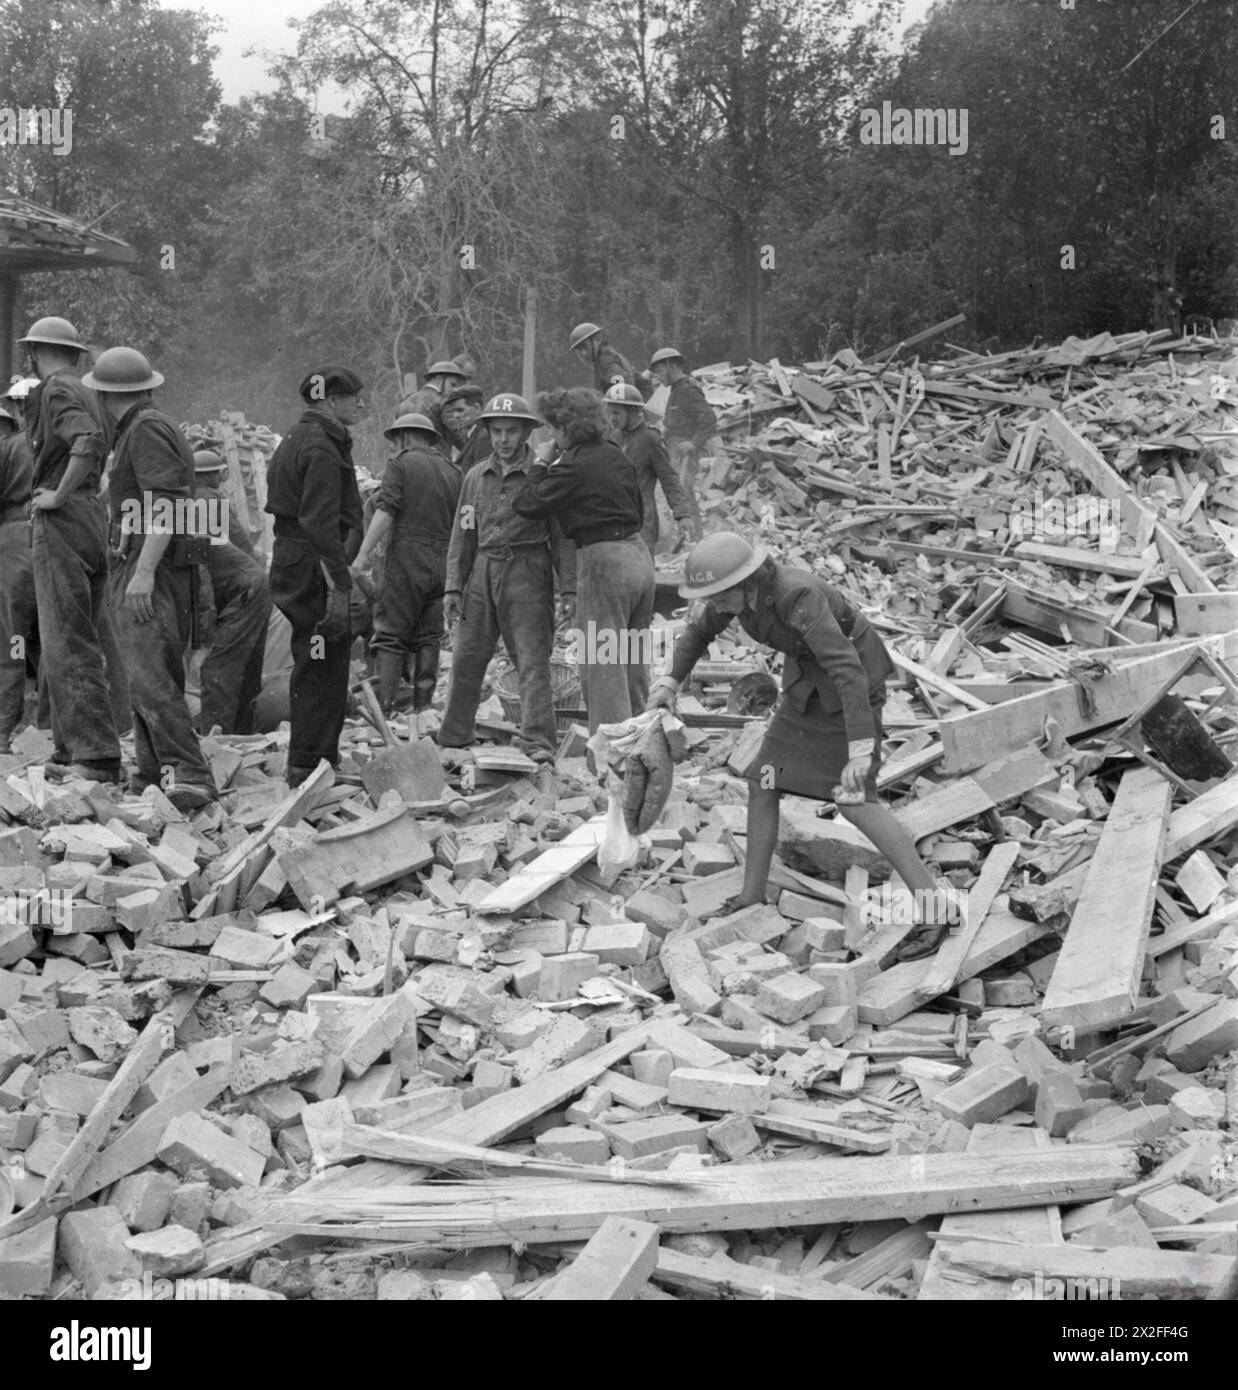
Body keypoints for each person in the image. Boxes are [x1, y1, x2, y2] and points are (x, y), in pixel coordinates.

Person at [648, 532, 953, 959]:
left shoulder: (798, 595)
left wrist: (861, 748)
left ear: (746, 581)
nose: (716, 606)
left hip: (851, 689)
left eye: (720, 596)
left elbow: (847, 668)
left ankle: (936, 908)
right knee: (764, 780)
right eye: (711, 598)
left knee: (853, 800)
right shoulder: (731, 599)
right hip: (805, 689)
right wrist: (670, 680)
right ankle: (751, 896)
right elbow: (698, 633)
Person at [84, 347, 218, 811]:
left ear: (104, 395)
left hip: (151, 569)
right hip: (155, 564)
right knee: (145, 675)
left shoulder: (145, 429)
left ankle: (191, 775)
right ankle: (151, 773)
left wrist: (141, 573)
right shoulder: (145, 428)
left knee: (150, 676)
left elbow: (166, 501)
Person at [439, 393, 573, 758]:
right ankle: (454, 736)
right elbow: (463, 532)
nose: (503, 439)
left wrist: (569, 590)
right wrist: (454, 585)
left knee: (531, 659)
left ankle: (538, 741)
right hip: (482, 569)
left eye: (512, 431)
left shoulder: (541, 475)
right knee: (467, 656)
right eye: (496, 431)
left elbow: (562, 536)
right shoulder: (474, 477)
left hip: (528, 569)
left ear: (527, 432)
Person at [513, 387, 655, 731]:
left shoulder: (572, 465)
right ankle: (645, 740)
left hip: (604, 563)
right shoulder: (617, 455)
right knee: (633, 660)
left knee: (601, 664)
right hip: (640, 558)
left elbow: (527, 503)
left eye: (553, 429)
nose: (551, 435)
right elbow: (639, 509)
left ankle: (611, 758)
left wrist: (541, 463)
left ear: (565, 429)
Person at [19, 315, 122, 782]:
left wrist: (58, 495)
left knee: (64, 637)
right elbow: (103, 445)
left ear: (36, 353)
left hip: (62, 519)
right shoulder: (91, 392)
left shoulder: (55, 390)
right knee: (75, 631)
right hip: (89, 517)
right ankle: (69, 748)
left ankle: (94, 755)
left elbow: (87, 440)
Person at [265, 366, 365, 785]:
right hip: (313, 564)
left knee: (317, 656)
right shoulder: (322, 446)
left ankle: (316, 759)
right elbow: (320, 524)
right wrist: (340, 584)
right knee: (322, 660)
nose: (361, 404)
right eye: (354, 397)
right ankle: (310, 763)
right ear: (329, 401)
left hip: (296, 559)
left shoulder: (295, 437)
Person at [351, 412, 461, 715]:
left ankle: (383, 709)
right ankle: (423, 707)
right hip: (443, 560)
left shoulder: (400, 464)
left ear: (404, 438)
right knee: (429, 635)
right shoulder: (454, 471)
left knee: (390, 634)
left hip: (407, 558)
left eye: (395, 442)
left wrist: (361, 557)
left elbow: (386, 510)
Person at [191, 452, 271, 735]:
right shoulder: (212, 500)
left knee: (218, 667)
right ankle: (242, 735)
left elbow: (202, 579)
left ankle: (217, 741)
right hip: (253, 587)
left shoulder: (195, 503)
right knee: (246, 667)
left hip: (243, 591)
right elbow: (246, 548)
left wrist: (204, 638)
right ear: (211, 475)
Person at [604, 382, 701, 555]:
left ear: (633, 411)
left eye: (616, 413)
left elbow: (669, 478)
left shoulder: (650, 439)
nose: (612, 418)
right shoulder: (614, 435)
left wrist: (682, 514)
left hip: (641, 519)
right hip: (615, 515)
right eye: (610, 412)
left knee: (640, 567)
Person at [0, 385, 38, 754]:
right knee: (53, 643)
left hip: (14, 541)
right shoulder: (63, 444)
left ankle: (2, 733)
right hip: (53, 536)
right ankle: (51, 732)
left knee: (11, 640)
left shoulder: (10, 447)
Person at [649, 347, 718, 497]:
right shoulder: (676, 390)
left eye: (659, 371)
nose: (657, 378)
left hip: (684, 455)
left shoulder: (688, 390)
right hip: (675, 452)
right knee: (677, 497)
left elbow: (709, 419)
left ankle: (692, 521)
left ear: (672, 367)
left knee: (684, 497)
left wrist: (694, 443)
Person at [569, 322, 653, 400]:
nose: (583, 353)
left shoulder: (605, 361)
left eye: (585, 346)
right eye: (579, 350)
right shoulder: (607, 356)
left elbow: (620, 392)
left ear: (596, 340)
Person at [399, 359, 469, 442]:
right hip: (434, 454)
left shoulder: (404, 403)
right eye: (452, 385)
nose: (454, 390)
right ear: (439, 379)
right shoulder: (443, 403)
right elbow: (461, 438)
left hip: (404, 454)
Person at [440, 384, 490, 472]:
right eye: (453, 411)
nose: (455, 416)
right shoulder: (473, 434)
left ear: (476, 409)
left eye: (460, 410)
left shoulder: (484, 438)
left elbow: (482, 477)